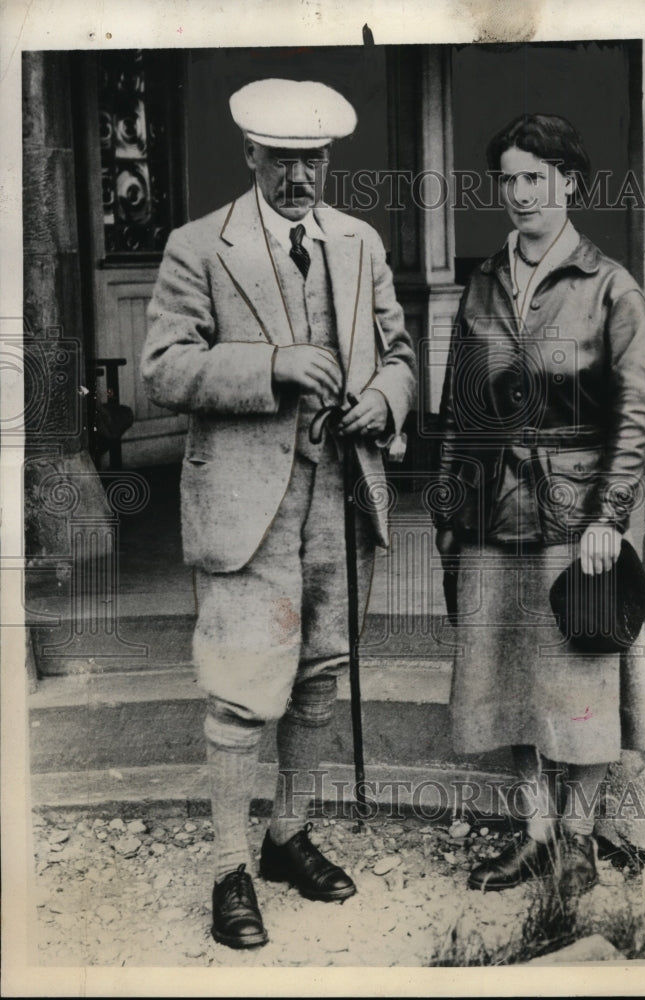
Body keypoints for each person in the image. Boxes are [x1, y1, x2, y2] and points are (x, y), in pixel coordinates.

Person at [141, 78, 416, 948]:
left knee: (319, 676)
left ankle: (286, 835)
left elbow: (400, 352)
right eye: (283, 161)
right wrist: (274, 363)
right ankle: (228, 866)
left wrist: (383, 399)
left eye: (314, 161)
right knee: (240, 692)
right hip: (243, 501)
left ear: (328, 160)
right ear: (250, 156)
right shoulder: (200, 246)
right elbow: (165, 368)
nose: (301, 178)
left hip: (339, 490)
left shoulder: (360, 242)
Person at [434, 113, 645, 895]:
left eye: (536, 176)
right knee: (511, 675)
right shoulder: (485, 281)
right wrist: (447, 510)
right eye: (509, 178)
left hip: (576, 513)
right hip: (494, 510)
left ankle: (576, 841)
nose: (521, 193)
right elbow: (459, 405)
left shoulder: (609, 285)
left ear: (569, 182)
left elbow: (633, 414)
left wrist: (608, 516)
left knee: (581, 676)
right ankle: (531, 832)